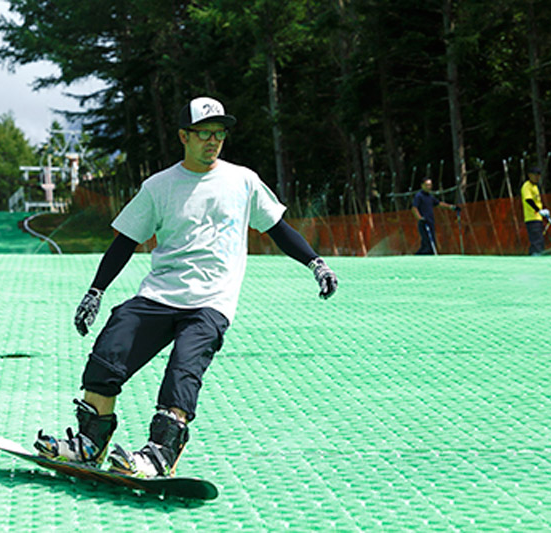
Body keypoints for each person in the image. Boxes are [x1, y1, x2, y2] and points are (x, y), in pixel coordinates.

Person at [33, 97, 338, 478]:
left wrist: (316, 263)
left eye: (220, 133)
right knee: (108, 354)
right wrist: (96, 291)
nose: (213, 141)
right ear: (184, 136)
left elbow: (278, 228)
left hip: (211, 301)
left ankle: (160, 453)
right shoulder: (159, 186)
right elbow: (125, 241)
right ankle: (90, 443)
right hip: (160, 295)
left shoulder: (242, 181)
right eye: (204, 133)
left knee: (182, 372)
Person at [410, 178, 458, 255]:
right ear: (422, 185)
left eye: (430, 185)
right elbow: (414, 208)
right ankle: (418, 257)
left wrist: (451, 207)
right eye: (427, 185)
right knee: (427, 243)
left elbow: (439, 204)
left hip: (431, 222)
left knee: (431, 243)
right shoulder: (419, 196)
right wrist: (420, 218)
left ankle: (422, 257)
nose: (429, 187)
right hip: (423, 222)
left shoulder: (430, 197)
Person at [521, 166, 549, 256]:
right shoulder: (527, 186)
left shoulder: (536, 187)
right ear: (529, 175)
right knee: (537, 239)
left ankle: (534, 254)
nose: (537, 177)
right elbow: (528, 200)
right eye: (535, 175)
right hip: (531, 217)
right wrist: (538, 210)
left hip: (538, 217)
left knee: (539, 238)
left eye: (538, 175)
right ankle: (536, 255)